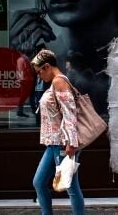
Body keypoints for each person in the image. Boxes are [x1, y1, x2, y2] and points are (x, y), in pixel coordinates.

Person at [31, 49, 84, 215]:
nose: (39, 76)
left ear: (47, 66)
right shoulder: (55, 82)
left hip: (62, 143)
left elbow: (70, 114)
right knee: (39, 182)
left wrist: (71, 143)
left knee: (70, 186)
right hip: (52, 143)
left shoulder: (59, 82)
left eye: (39, 72)